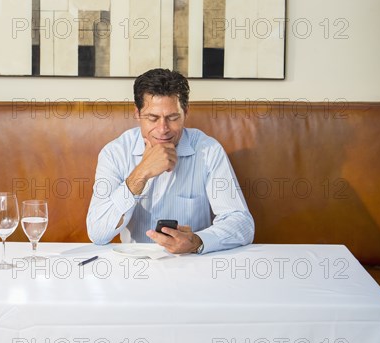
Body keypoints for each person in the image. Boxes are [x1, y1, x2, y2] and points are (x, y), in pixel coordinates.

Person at [86, 68, 254, 254]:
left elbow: (242, 224)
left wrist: (198, 241)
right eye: (152, 118)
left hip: (192, 262)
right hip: (135, 267)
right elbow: (98, 233)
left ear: (185, 113)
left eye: (172, 118)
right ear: (137, 114)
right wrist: (141, 173)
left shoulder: (209, 151)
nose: (163, 129)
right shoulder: (115, 153)